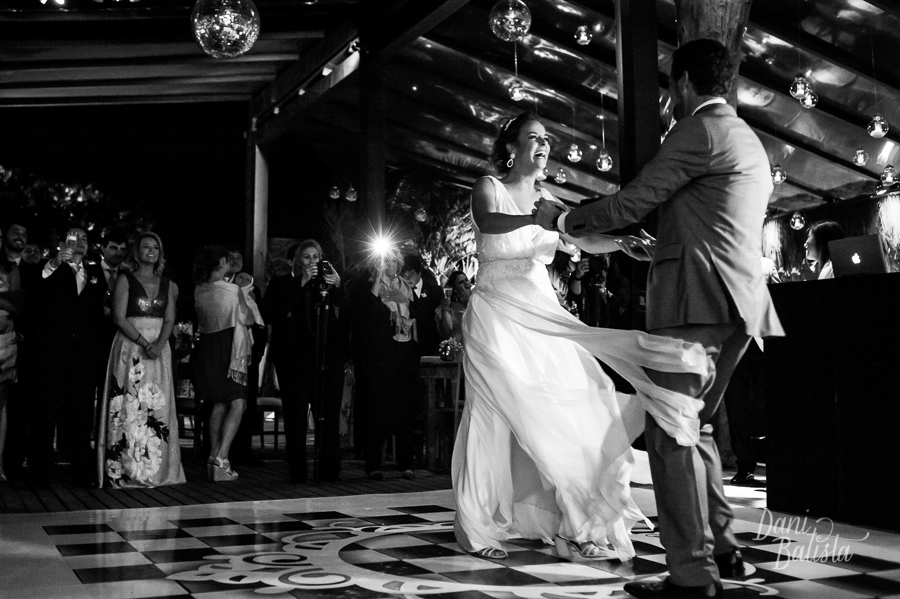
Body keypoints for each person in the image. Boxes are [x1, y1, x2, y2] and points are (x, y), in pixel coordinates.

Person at [535, 39, 784, 599]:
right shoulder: (746, 137)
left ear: (685, 83)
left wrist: (566, 217)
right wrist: (653, 246)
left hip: (696, 302)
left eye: (672, 87)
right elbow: (709, 221)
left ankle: (692, 576)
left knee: (671, 437)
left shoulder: (696, 129)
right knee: (696, 429)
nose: (671, 97)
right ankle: (725, 549)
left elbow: (633, 200)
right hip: (737, 307)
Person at [453, 110, 710, 564]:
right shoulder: (488, 187)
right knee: (494, 413)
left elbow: (582, 240)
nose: (543, 144)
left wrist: (622, 243)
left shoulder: (547, 198)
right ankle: (477, 527)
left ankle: (572, 525)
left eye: (547, 138)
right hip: (495, 310)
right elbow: (491, 224)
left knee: (577, 400)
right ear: (511, 147)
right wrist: (542, 220)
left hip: (542, 311)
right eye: (533, 137)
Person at [96, 232, 186, 488]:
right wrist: (145, 343)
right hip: (130, 346)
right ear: (136, 252)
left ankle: (156, 469)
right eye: (146, 246)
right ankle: (124, 467)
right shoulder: (125, 280)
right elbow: (119, 317)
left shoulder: (169, 284)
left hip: (159, 348)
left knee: (156, 406)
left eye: (155, 247)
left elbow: (169, 319)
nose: (151, 250)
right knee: (128, 403)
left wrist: (159, 344)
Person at [30, 227, 107, 487]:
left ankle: (81, 471)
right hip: (52, 352)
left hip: (84, 354)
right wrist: (54, 263)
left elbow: (98, 315)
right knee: (46, 409)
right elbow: (37, 298)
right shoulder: (48, 268)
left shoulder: (95, 273)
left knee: (83, 412)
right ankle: (40, 471)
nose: (80, 243)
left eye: (85, 239)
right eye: (74, 239)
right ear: (63, 243)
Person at [264, 240, 344, 483]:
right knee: (296, 417)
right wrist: (300, 285)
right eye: (307, 257)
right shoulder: (280, 284)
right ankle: (297, 471)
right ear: (297, 260)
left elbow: (345, 312)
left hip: (325, 358)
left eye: (316, 257)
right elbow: (272, 314)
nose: (312, 262)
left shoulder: (326, 285)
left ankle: (330, 470)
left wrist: (338, 285)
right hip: (293, 360)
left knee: (327, 415)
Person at [350, 253, 422, 480]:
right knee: (376, 410)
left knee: (404, 408)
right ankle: (374, 463)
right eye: (383, 261)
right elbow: (368, 313)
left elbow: (416, 316)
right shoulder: (366, 287)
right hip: (378, 356)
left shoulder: (406, 287)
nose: (388, 265)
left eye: (392, 261)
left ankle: (405, 463)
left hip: (404, 353)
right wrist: (377, 278)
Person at [193, 246, 254, 482]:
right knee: (238, 401)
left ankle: (212, 456)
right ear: (220, 263)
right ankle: (222, 456)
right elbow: (247, 317)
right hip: (229, 346)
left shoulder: (200, 289)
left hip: (208, 346)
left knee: (219, 403)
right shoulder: (230, 289)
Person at [400, 254, 443, 356]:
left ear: (419, 273)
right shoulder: (400, 292)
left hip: (431, 346)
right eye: (404, 276)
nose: (408, 279)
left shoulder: (434, 291)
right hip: (408, 348)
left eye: (411, 275)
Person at [437, 270, 472, 342]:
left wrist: (468, 302)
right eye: (461, 282)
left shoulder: (478, 300)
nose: (466, 284)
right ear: (455, 289)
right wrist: (444, 309)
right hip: (458, 347)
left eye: (466, 280)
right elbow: (446, 333)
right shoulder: (451, 306)